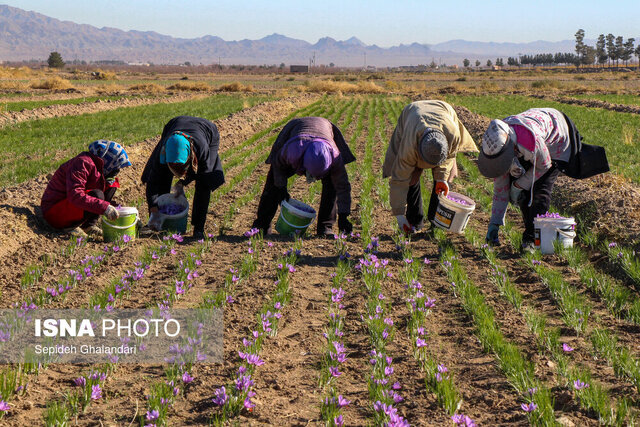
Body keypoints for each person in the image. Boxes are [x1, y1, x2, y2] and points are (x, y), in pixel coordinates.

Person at [478, 108, 577, 251]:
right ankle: (530, 233)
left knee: (539, 190)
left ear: (509, 148)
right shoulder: (499, 145)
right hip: (528, 147)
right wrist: (495, 222)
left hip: (556, 139)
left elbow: (544, 166)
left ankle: (532, 239)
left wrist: (518, 185)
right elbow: (501, 187)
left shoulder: (530, 141)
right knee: (524, 192)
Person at [383, 100, 478, 233]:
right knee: (411, 178)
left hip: (444, 111)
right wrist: (399, 215)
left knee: (449, 174)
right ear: (419, 152)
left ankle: (436, 222)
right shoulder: (409, 146)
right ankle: (415, 221)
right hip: (413, 114)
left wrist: (441, 180)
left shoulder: (452, 133)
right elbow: (399, 179)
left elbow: (449, 158)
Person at [251, 117, 355, 236]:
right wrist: (281, 187)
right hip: (297, 130)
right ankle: (261, 225)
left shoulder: (335, 158)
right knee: (272, 182)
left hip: (324, 128)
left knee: (332, 185)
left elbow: (343, 188)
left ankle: (325, 227)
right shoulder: (292, 151)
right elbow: (277, 165)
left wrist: (343, 215)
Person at [141, 116, 224, 240]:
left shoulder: (201, 149)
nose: (177, 170)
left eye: (181, 166)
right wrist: (154, 209)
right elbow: (153, 181)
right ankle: (161, 221)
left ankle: (198, 227)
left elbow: (203, 183)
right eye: (173, 166)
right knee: (162, 175)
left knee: (205, 181)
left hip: (208, 132)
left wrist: (182, 183)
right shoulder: (163, 151)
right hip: (173, 125)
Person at [41, 140, 131, 237]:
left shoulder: (98, 168)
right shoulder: (82, 163)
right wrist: (104, 207)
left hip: (67, 207)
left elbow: (103, 201)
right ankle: (68, 227)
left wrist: (125, 213)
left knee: (111, 186)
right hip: (55, 212)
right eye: (115, 166)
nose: (116, 170)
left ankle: (88, 226)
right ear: (108, 160)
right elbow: (75, 195)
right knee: (97, 195)